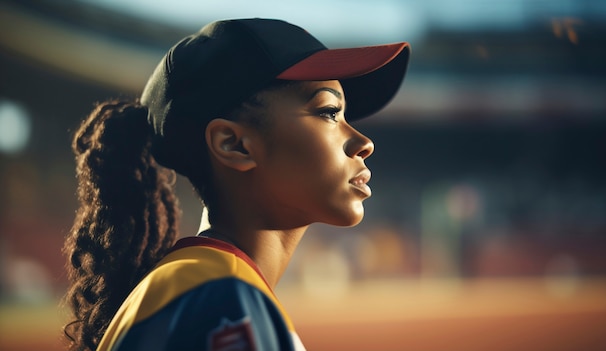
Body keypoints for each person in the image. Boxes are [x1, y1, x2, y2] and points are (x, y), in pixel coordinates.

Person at [63, 18, 410, 351]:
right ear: (233, 144)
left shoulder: (200, 285)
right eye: (328, 111)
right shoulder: (220, 297)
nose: (364, 142)